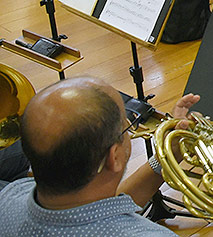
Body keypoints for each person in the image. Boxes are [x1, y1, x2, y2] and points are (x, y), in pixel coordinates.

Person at [0, 75, 198, 235]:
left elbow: (102, 210)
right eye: (126, 126)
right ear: (114, 156)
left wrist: (168, 155)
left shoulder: (11, 197)